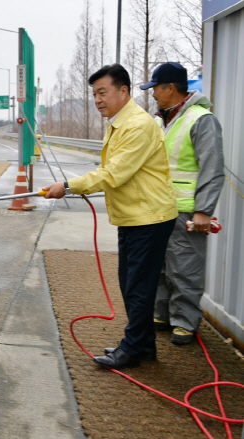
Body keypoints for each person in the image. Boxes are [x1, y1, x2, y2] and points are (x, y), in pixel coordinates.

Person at [44, 64, 178, 370]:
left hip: (150, 217)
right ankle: (143, 345)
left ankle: (131, 349)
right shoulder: (120, 123)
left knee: (138, 287)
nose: (98, 99)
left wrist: (67, 186)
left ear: (124, 91)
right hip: (134, 216)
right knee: (129, 283)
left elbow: (114, 173)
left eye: (103, 92)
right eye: (94, 94)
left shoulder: (138, 126)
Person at [140, 62, 225, 345]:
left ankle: (185, 322)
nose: (152, 94)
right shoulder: (162, 120)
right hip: (158, 208)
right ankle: (161, 314)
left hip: (187, 209)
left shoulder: (201, 119)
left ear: (170, 88)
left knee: (185, 267)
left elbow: (212, 168)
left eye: (155, 88)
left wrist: (203, 210)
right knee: (160, 265)